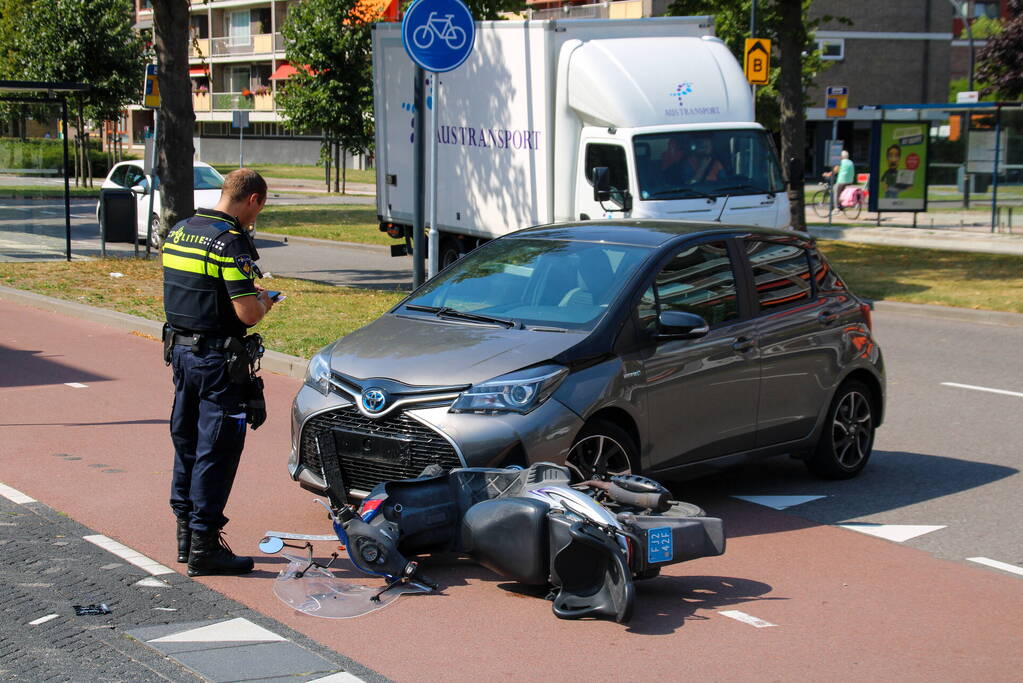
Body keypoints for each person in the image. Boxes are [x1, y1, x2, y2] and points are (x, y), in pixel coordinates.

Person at [161, 168, 274, 577]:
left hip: (181, 352)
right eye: (259, 208)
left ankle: (185, 537)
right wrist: (265, 303)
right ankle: (205, 546)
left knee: (187, 442)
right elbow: (246, 312)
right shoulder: (229, 244)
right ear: (253, 201)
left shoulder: (180, 231)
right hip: (217, 362)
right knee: (218, 448)